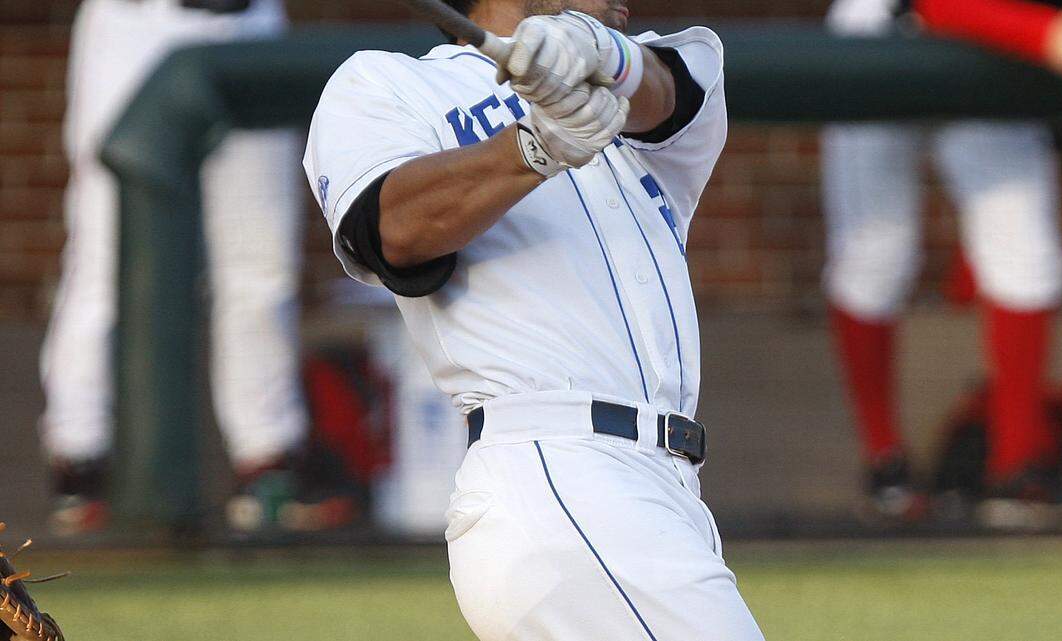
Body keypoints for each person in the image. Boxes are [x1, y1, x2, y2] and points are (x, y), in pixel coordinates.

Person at [304, 0, 765, 638]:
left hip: (665, 487)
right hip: (553, 465)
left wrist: (597, 51)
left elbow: (671, 90)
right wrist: (535, 145)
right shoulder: (387, 83)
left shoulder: (639, 79)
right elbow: (392, 232)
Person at [821, 0, 1062, 528]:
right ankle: (885, 466)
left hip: (1003, 31)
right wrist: (1049, 36)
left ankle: (1017, 470)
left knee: (1027, 250)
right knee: (877, 251)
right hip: (884, 29)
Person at [43, 0, 311, 535]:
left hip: (247, 21)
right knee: (106, 255)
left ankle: (267, 461)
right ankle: (82, 457)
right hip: (133, 23)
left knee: (261, 262)